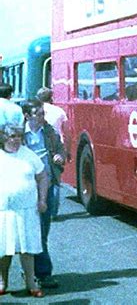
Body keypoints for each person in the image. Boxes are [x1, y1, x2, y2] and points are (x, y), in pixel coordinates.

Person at [0, 122, 48, 298]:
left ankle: (31, 282)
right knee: (4, 249)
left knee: (27, 248)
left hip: (27, 210)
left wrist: (42, 199)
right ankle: (2, 281)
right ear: (4, 137)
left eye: (19, 136)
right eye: (12, 136)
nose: (16, 140)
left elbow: (43, 176)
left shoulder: (29, 155)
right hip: (3, 210)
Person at [23, 100, 65, 290]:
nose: (42, 117)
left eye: (42, 113)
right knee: (24, 231)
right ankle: (37, 271)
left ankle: (38, 271)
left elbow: (60, 148)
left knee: (42, 230)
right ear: (27, 116)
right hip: (25, 187)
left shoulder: (49, 132)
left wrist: (60, 156)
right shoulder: (18, 135)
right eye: (38, 114)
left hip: (47, 185)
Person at [36, 87, 70, 218]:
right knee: (55, 180)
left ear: (38, 98)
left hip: (39, 146)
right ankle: (53, 212)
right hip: (56, 147)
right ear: (51, 97)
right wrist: (67, 151)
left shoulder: (35, 111)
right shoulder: (60, 111)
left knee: (39, 178)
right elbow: (66, 133)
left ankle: (40, 205)